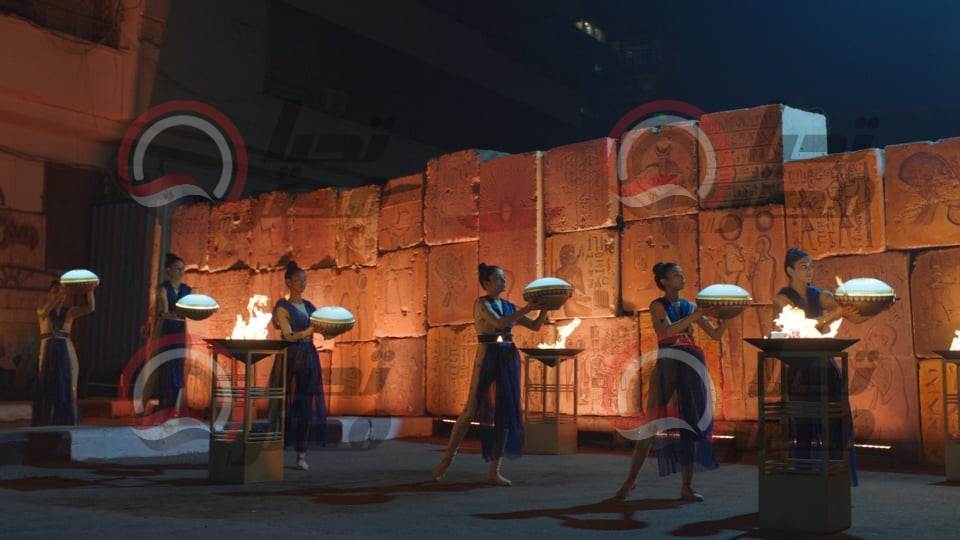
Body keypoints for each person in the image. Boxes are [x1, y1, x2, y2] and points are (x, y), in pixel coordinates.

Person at [615, 262, 729, 502]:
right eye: (676, 275)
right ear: (664, 281)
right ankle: (630, 481)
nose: (682, 278)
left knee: (691, 424)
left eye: (682, 274)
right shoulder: (658, 305)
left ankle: (687, 487)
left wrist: (729, 316)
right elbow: (666, 332)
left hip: (692, 364)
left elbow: (716, 334)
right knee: (651, 423)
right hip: (668, 363)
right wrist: (696, 315)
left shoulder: (691, 306)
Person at [431, 263, 550, 485]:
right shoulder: (482, 303)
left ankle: (494, 471)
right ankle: (447, 459)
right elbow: (499, 323)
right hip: (488, 356)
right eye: (498, 278)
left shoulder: (509, 306)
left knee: (504, 413)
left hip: (507, 356)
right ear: (486, 283)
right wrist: (528, 307)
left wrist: (544, 308)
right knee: (471, 409)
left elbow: (535, 326)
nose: (503, 281)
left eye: (503, 277)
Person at [772, 247, 873, 486]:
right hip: (800, 369)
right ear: (790, 270)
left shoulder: (819, 295)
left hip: (825, 367)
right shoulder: (782, 299)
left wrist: (874, 307)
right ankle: (804, 483)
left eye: (811, 266)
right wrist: (836, 314)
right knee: (804, 427)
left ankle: (836, 482)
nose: (809, 271)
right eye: (803, 267)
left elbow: (853, 314)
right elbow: (803, 327)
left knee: (835, 423)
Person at [271, 260, 326, 471]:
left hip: (308, 356)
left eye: (304, 280)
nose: (302, 284)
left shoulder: (309, 306)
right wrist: (310, 330)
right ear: (288, 282)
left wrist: (333, 328)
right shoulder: (282, 307)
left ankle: (301, 453)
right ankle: (275, 450)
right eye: (298, 280)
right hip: (290, 356)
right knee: (283, 402)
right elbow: (289, 335)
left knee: (305, 404)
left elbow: (322, 326)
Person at [33, 280, 95, 426]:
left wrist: (90, 290)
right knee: (46, 384)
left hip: (65, 349)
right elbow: (44, 312)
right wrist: (59, 295)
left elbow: (90, 307)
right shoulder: (42, 309)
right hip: (47, 350)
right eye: (55, 291)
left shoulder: (70, 312)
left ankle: (67, 421)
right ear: (49, 294)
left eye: (61, 292)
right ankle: (45, 421)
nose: (59, 294)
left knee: (67, 384)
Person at [153, 253, 191, 415]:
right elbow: (164, 312)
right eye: (177, 269)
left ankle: (175, 407)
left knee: (178, 365)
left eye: (183, 269)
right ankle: (164, 405)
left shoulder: (186, 290)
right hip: (167, 330)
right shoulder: (163, 288)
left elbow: (190, 310)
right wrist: (174, 314)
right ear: (168, 270)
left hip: (180, 331)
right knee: (166, 366)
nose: (181, 272)